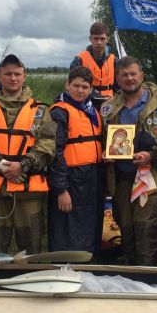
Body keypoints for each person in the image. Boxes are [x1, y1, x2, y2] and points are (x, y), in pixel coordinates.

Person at [100, 56, 157, 266]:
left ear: (141, 75)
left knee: (146, 231)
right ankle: (130, 275)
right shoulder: (108, 108)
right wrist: (105, 153)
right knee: (125, 230)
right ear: (117, 79)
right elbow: (102, 139)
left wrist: (153, 154)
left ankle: (148, 279)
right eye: (124, 75)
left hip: (150, 181)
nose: (129, 78)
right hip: (121, 181)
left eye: (133, 74)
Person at [0, 54, 56, 257]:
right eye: (7, 74)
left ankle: (32, 284)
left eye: (17, 73)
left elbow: (47, 145)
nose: (13, 78)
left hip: (28, 192)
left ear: (24, 76)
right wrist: (0, 164)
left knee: (32, 249)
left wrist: (23, 165)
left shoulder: (41, 110)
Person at [47, 66, 105, 255]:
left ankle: (91, 260)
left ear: (90, 89)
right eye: (76, 86)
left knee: (90, 222)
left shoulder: (93, 109)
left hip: (93, 176)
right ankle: (67, 264)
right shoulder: (60, 112)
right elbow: (55, 153)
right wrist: (61, 189)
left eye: (85, 87)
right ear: (67, 85)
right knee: (69, 227)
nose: (80, 91)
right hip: (71, 178)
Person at [70, 22, 118, 106]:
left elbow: (119, 87)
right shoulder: (79, 59)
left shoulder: (115, 61)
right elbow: (73, 84)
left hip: (109, 102)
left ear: (108, 39)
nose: (99, 42)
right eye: (96, 38)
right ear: (90, 39)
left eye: (102, 39)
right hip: (85, 101)